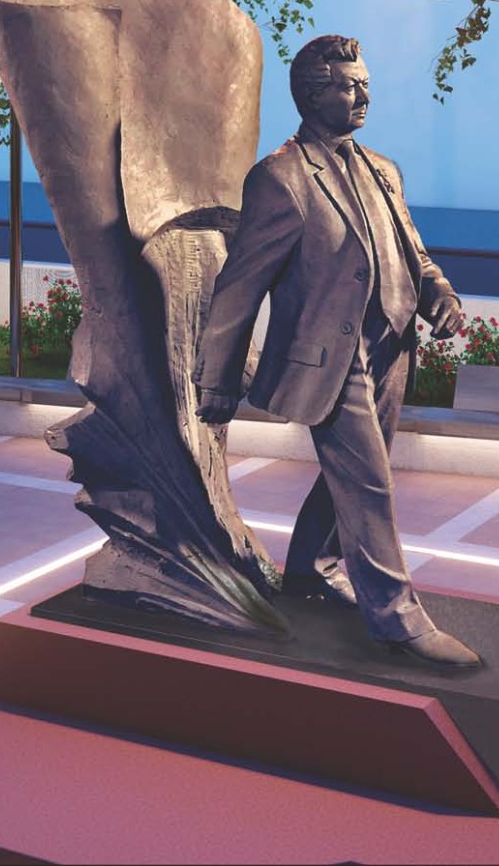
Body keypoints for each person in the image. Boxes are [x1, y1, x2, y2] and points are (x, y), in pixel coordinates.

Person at [193, 34, 480, 667]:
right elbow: (240, 285)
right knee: (370, 484)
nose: (363, 96)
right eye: (350, 86)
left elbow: (412, 252)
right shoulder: (280, 178)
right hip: (331, 357)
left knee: (349, 475)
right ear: (311, 93)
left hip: (392, 347)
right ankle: (398, 620)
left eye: (366, 84)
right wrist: (216, 381)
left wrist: (439, 294)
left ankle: (310, 567)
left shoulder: (383, 169)